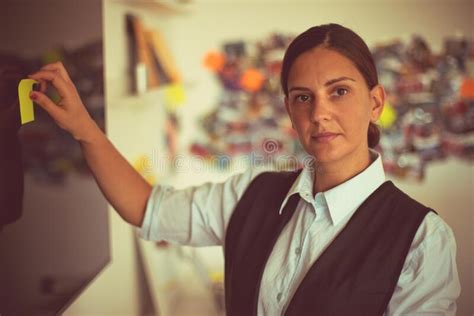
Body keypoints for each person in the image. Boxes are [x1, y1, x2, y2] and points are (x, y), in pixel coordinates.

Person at [28, 23, 460, 315]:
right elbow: (145, 208)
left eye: (340, 91)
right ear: (290, 110)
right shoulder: (252, 195)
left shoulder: (422, 239)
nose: (320, 113)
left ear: (376, 103)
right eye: (303, 97)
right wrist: (85, 130)